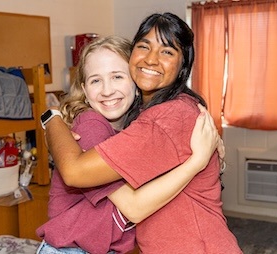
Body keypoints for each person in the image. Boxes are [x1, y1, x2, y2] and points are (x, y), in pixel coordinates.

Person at [44, 13, 242, 253]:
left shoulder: (163, 118)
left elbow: (131, 205)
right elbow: (75, 172)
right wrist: (52, 118)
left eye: (167, 52)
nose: (151, 60)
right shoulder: (129, 120)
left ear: (183, 67)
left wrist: (52, 120)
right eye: (144, 47)